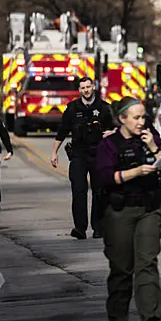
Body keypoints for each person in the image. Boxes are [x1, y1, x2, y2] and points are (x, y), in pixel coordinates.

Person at [95, 97, 161, 321]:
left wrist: (152, 148)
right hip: (120, 210)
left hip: (149, 208)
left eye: (143, 117)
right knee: (121, 268)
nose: (141, 122)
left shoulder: (150, 139)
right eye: (136, 117)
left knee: (147, 263)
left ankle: (152, 320)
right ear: (122, 119)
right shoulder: (109, 145)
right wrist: (136, 172)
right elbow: (105, 178)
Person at [51, 76, 115, 240]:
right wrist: (54, 152)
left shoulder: (104, 108)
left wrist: (113, 132)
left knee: (99, 192)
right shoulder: (73, 108)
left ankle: (98, 227)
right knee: (78, 191)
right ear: (79, 90)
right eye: (83, 88)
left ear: (93, 87)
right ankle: (80, 228)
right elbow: (62, 131)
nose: (86, 90)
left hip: (99, 154)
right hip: (79, 154)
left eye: (88, 87)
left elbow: (119, 126)